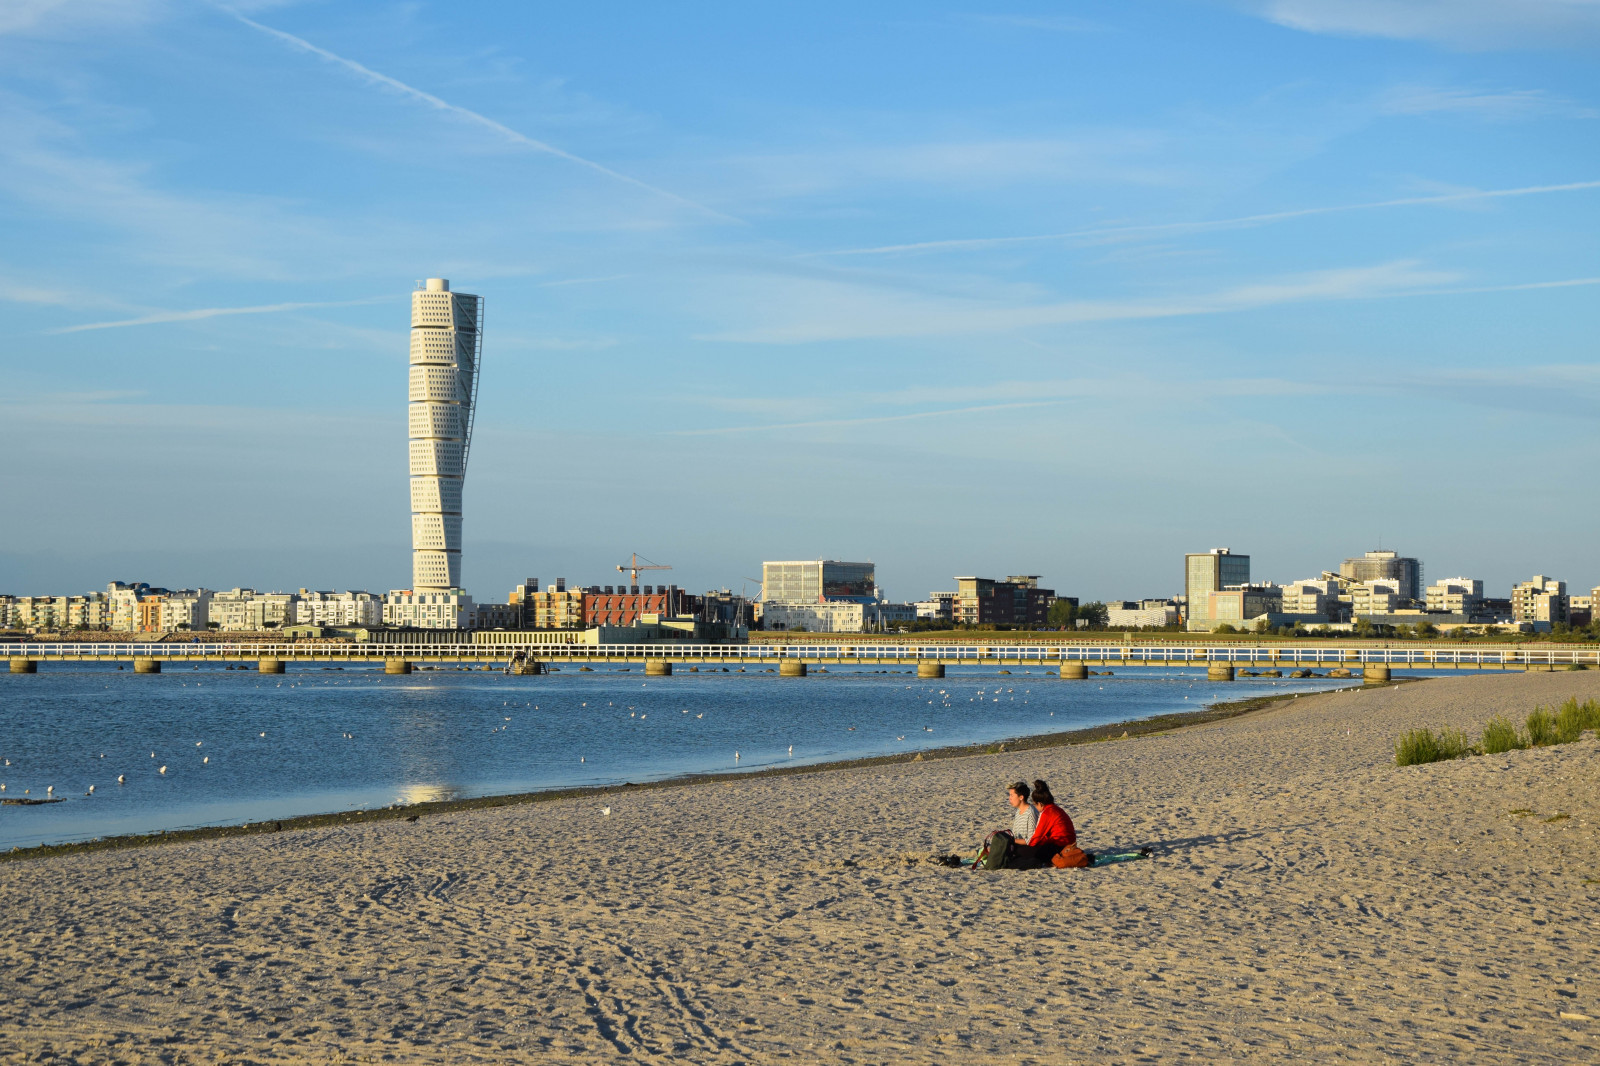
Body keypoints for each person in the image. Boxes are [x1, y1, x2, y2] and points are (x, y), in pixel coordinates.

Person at [1005, 779, 1076, 869]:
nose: (1035, 807)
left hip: (1061, 847)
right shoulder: (1056, 809)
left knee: (1021, 851)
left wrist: (1013, 842)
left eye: (1035, 804)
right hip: (1066, 844)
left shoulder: (1047, 813)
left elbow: (1035, 839)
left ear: (1040, 804)